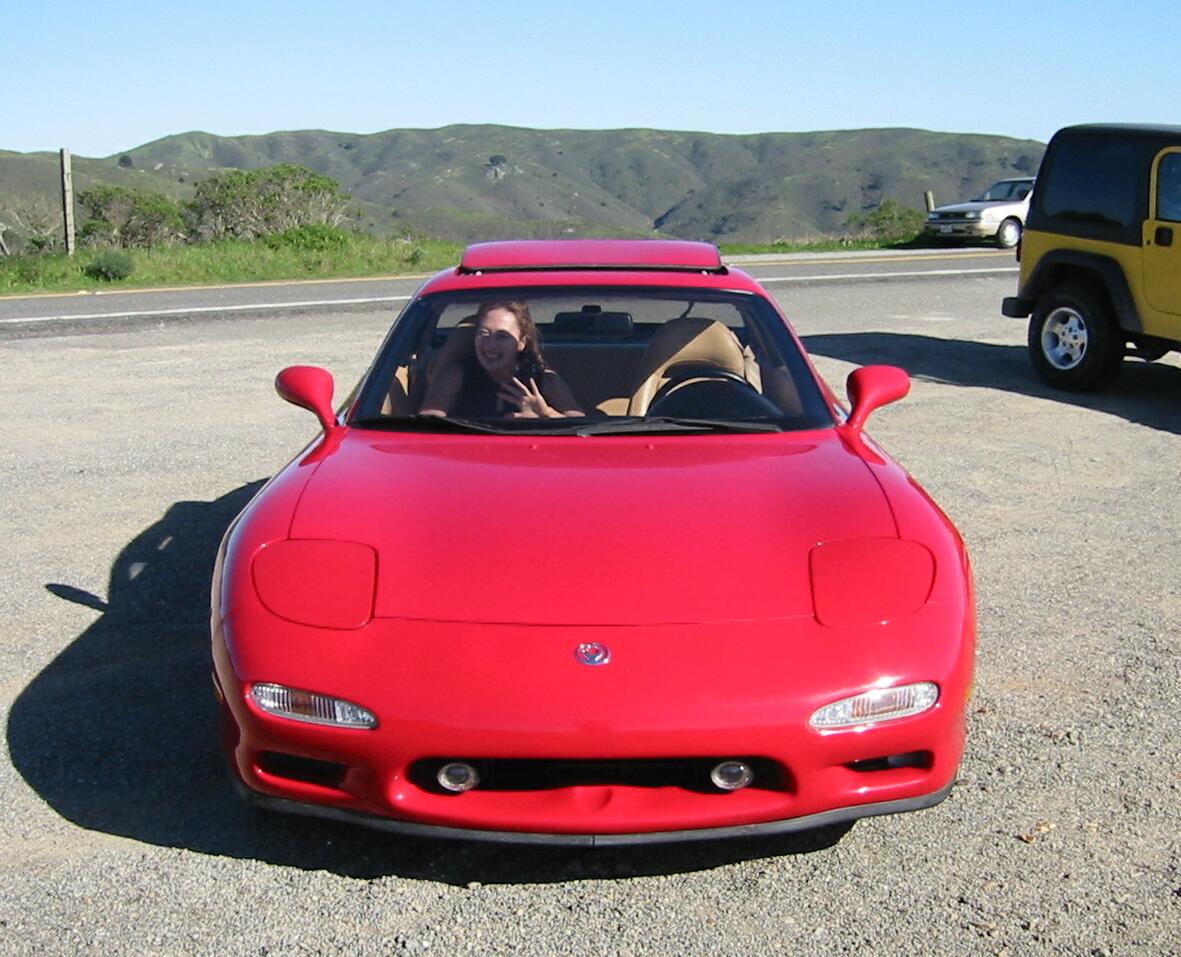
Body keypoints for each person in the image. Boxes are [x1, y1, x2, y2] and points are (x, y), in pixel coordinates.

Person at [418, 301, 583, 418]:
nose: (490, 345)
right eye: (484, 333)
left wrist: (546, 414)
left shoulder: (543, 379)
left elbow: (582, 427)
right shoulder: (457, 375)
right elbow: (427, 423)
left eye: (502, 336)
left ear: (521, 343)